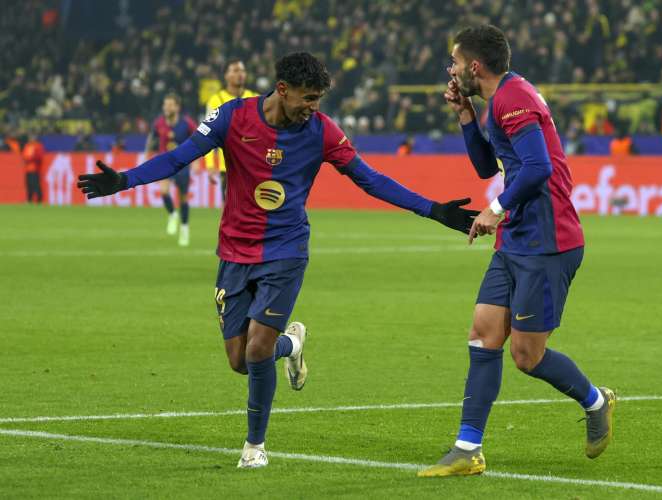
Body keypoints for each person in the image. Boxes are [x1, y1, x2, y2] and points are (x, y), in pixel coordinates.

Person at [77, 52, 478, 469]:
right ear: (282, 90)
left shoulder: (322, 132)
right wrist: (126, 179)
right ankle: (293, 343)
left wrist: (433, 210)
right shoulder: (232, 117)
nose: (314, 107)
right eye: (308, 98)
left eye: (319, 98)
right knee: (239, 360)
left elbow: (370, 179)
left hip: (285, 252)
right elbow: (180, 156)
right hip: (234, 251)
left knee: (255, 350)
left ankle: (255, 446)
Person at [417, 26, 615, 478]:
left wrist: (495, 207)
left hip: (549, 241)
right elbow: (490, 165)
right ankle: (468, 449)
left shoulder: (513, 97)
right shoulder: (497, 100)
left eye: (453, 60)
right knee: (483, 334)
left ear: (474, 66)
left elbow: (539, 169)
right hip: (517, 240)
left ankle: (596, 401)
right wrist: (466, 117)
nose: (448, 69)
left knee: (527, 357)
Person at [145, 92, 199, 246]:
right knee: (163, 191)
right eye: (165, 104)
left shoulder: (186, 123)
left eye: (170, 105)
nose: (166, 107)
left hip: (182, 164)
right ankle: (172, 214)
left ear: (177, 107)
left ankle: (184, 228)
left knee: (183, 199)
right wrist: (147, 153)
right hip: (165, 163)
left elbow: (199, 139)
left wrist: (196, 160)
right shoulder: (159, 122)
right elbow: (152, 137)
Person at [205, 59, 258, 201]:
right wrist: (210, 165)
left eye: (242, 70)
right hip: (228, 167)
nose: (240, 74)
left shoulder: (255, 98)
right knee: (231, 212)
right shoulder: (216, 100)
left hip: (252, 165)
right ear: (226, 76)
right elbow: (207, 134)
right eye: (235, 70)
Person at [22, 133, 45, 204]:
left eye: (32, 137)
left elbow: (39, 156)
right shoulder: (27, 145)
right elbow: (24, 155)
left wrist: (31, 158)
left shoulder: (38, 146)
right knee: (29, 184)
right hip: (28, 169)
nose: (31, 138)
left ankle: (39, 199)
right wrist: (27, 159)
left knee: (35, 184)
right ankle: (29, 199)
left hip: (35, 168)